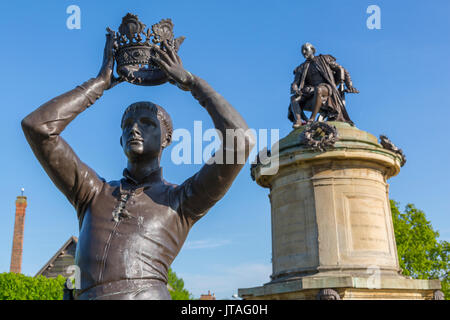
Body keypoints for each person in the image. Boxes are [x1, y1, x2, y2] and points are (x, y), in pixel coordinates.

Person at [22, 29, 255, 300]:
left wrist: (192, 83)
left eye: (146, 123)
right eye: (127, 125)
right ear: (120, 140)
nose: (134, 129)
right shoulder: (92, 192)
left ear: (167, 138)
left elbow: (240, 142)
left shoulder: (180, 201)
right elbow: (38, 128)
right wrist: (98, 84)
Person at [288, 42, 359, 128]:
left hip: (326, 87)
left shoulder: (324, 59)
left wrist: (349, 85)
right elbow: (295, 83)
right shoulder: (301, 67)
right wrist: (295, 89)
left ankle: (311, 119)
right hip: (310, 91)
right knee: (293, 98)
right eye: (302, 51)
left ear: (312, 50)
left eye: (306, 49)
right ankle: (298, 121)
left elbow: (342, 69)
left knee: (319, 89)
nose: (303, 52)